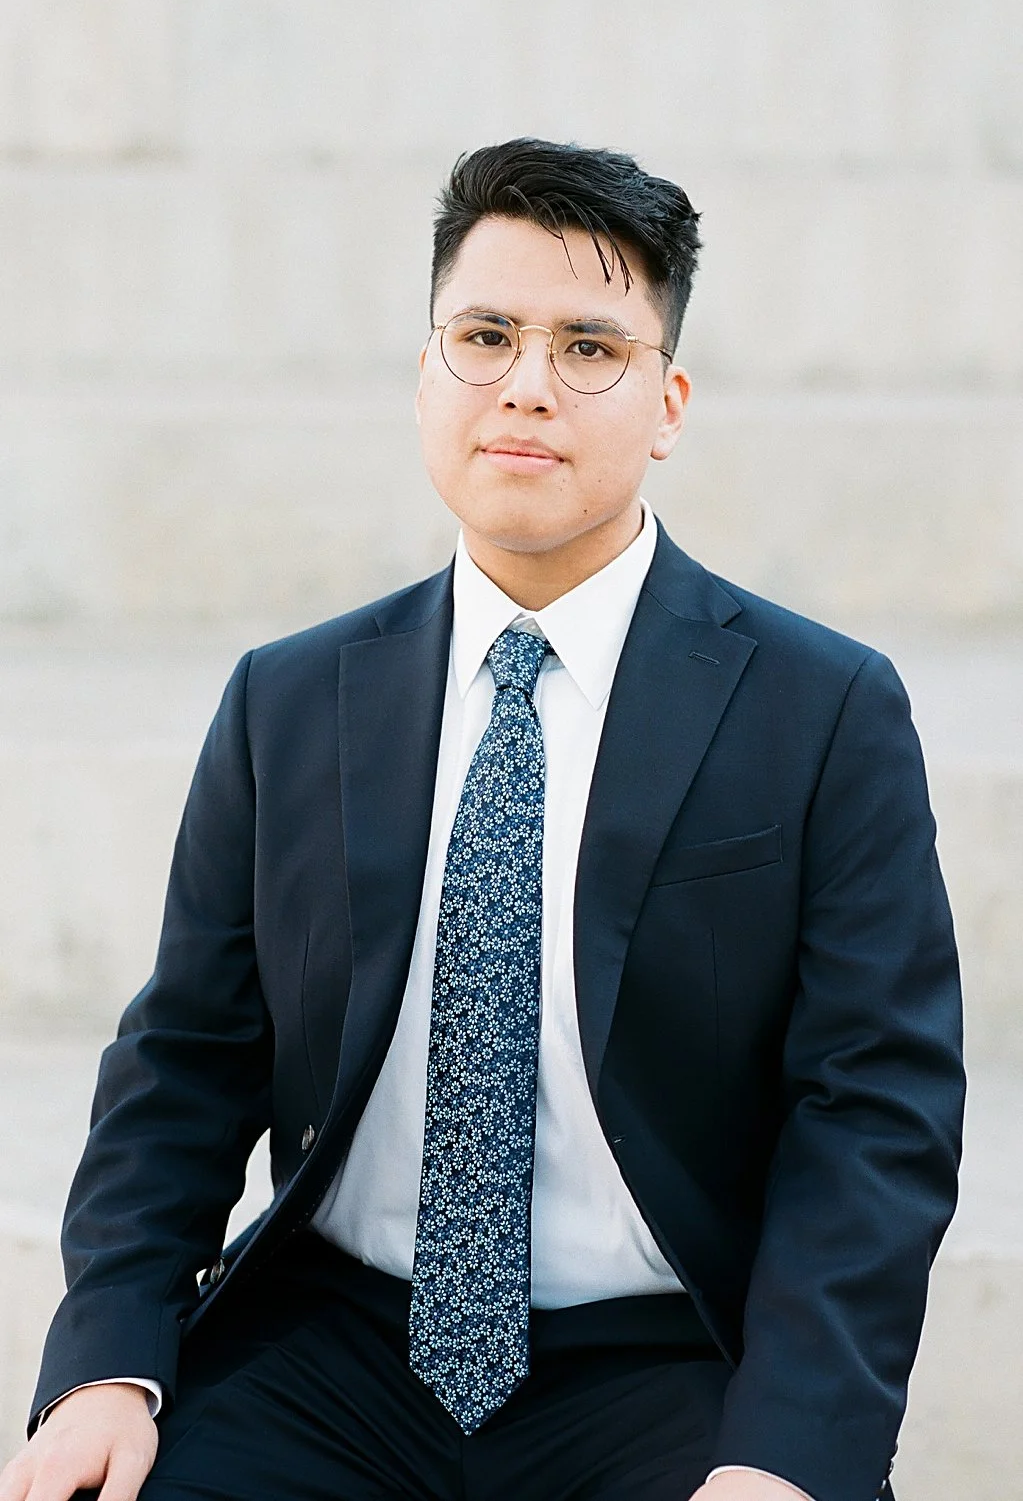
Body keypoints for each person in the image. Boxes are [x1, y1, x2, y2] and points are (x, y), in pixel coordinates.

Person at [0, 138, 964, 1501]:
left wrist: (784, 1456)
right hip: (329, 1345)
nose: (525, 384)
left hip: (660, 1358)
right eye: (486, 335)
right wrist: (107, 1369)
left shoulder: (821, 712)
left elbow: (873, 1113)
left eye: (589, 347)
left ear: (668, 402)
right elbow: (184, 1064)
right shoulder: (290, 701)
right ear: (423, 376)